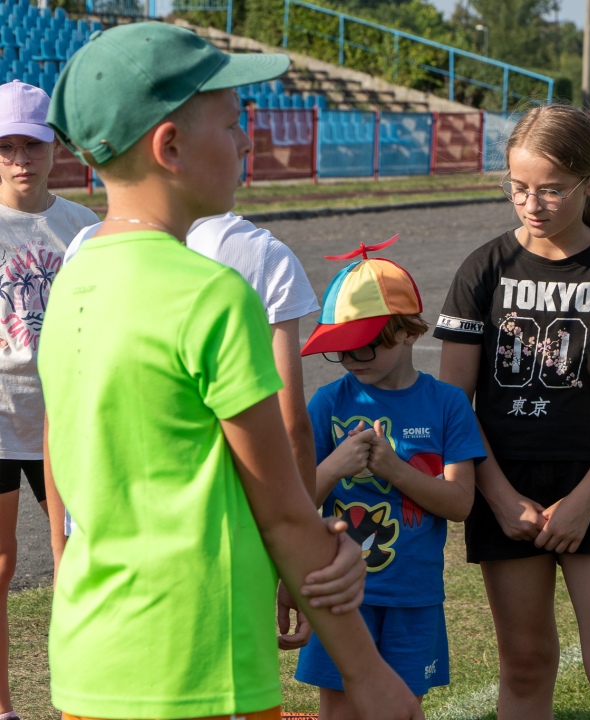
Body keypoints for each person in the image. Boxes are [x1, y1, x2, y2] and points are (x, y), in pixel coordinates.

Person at [39, 22, 422, 720]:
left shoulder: (72, 280)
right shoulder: (211, 296)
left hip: (92, 657)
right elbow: (279, 508)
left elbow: (66, 457)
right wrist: (365, 674)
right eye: (232, 120)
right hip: (197, 664)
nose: (247, 139)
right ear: (171, 146)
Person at [434, 104, 590, 720]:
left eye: (549, 191)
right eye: (518, 189)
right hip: (505, 489)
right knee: (525, 665)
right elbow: (451, 403)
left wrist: (586, 501)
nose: (531, 204)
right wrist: (497, 496)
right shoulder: (482, 270)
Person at [51, 211, 324, 647]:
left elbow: (60, 413)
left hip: (98, 540)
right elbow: (290, 426)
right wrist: (297, 560)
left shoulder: (85, 244)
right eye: (234, 136)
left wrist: (62, 551)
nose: (243, 146)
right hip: (217, 545)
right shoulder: (260, 253)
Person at [293, 245, 486, 714]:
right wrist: (337, 464)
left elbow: (461, 503)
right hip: (340, 594)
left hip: (412, 596)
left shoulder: (446, 404)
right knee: (339, 711)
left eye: (363, 343)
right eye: (339, 348)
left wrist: (393, 469)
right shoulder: (328, 403)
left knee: (400, 708)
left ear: (406, 333)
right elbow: (293, 506)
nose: (351, 357)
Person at [0, 79, 98, 720]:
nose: (19, 159)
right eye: (5, 146)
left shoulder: (82, 227)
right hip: (0, 422)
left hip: (66, 421)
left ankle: (83, 699)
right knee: (0, 565)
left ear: (54, 147)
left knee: (84, 561)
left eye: (31, 144)